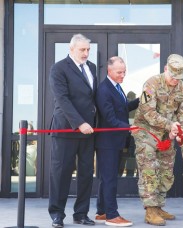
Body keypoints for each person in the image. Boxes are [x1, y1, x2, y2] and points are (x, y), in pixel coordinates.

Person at [132, 54, 183, 226]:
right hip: (146, 133)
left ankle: (158, 206)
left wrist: (180, 129)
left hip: (167, 135)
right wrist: (170, 125)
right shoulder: (150, 84)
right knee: (149, 170)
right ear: (166, 69)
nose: (174, 80)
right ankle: (150, 210)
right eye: (172, 76)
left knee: (166, 170)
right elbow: (146, 112)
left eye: (178, 77)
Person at [48, 34, 97, 228]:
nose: (86, 53)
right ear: (71, 49)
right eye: (82, 50)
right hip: (66, 129)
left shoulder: (91, 67)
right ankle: (57, 214)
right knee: (61, 174)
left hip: (88, 131)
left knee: (86, 173)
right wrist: (79, 123)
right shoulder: (59, 68)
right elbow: (62, 99)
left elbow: (92, 98)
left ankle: (81, 213)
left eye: (88, 50)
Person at [94, 56, 139, 226]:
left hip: (115, 141)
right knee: (110, 178)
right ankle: (112, 216)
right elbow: (110, 119)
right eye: (119, 72)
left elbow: (124, 108)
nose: (123, 75)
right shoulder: (104, 90)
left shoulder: (116, 87)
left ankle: (102, 211)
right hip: (107, 142)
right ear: (109, 71)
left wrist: (143, 99)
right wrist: (129, 127)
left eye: (124, 72)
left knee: (107, 178)